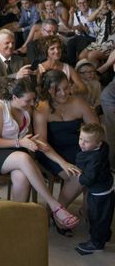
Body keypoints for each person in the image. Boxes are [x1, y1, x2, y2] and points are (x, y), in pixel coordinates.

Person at [0, 79, 81, 231]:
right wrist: (20, 142)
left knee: (21, 176)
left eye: (33, 99)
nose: (32, 104)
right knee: (24, 157)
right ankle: (55, 206)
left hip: (15, 152)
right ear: (14, 98)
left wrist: (62, 162)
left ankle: (15, 221)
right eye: (28, 100)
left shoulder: (27, 110)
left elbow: (37, 142)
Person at [33, 70, 98, 231]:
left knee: (94, 168)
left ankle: (87, 209)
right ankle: (58, 212)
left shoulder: (79, 103)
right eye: (58, 90)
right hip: (50, 152)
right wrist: (63, 163)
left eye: (66, 88)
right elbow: (42, 143)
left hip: (78, 148)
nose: (64, 93)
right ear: (49, 90)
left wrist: (89, 148)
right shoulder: (41, 108)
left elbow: (96, 130)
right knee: (79, 176)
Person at [75, 123, 114, 253]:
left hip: (99, 192)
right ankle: (105, 235)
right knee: (104, 215)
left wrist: (80, 177)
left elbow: (88, 179)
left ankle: (96, 243)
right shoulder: (102, 147)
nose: (82, 143)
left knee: (97, 217)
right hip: (105, 186)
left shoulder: (94, 159)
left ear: (98, 144)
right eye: (80, 138)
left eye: (86, 141)